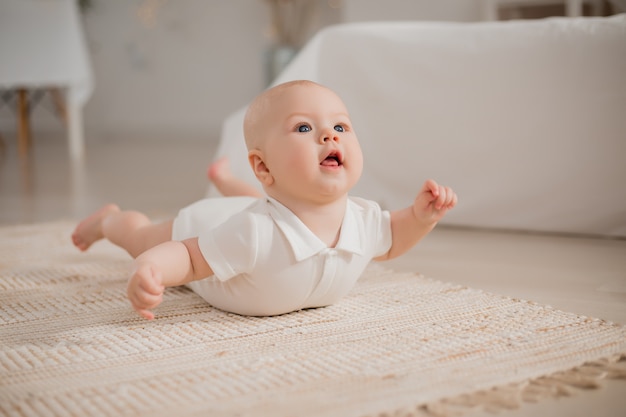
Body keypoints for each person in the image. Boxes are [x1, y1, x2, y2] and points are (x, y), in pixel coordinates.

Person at [72, 80, 457, 320]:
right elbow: (189, 258)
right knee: (142, 236)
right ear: (263, 165)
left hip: (255, 209)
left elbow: (390, 242)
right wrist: (150, 266)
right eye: (304, 127)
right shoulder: (252, 233)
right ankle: (109, 220)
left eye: (340, 126)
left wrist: (421, 218)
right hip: (204, 226)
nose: (330, 136)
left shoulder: (364, 217)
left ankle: (226, 181)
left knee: (268, 203)